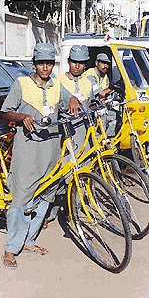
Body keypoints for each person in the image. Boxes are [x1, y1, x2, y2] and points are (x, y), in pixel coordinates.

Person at [0, 43, 81, 270]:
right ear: (34, 64)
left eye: (49, 63)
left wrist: (73, 99)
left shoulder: (56, 85)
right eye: (41, 63)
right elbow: (6, 111)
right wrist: (22, 116)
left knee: (46, 195)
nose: (45, 68)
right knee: (21, 197)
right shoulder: (22, 84)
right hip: (28, 150)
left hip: (51, 150)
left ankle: (28, 240)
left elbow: (68, 101)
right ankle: (10, 248)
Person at [44, 45, 94, 226]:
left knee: (83, 172)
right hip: (64, 134)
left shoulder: (88, 83)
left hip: (83, 134)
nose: (77, 66)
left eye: (81, 63)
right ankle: (49, 211)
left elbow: (91, 105)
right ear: (68, 62)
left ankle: (75, 212)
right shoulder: (57, 81)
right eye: (74, 62)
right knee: (60, 174)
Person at [82, 53, 117, 137]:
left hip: (98, 106)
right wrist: (113, 87)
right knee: (103, 120)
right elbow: (101, 93)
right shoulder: (90, 74)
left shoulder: (104, 76)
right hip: (87, 107)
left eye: (107, 64)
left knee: (116, 117)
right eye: (103, 63)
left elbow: (106, 94)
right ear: (96, 63)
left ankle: (107, 141)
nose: (105, 66)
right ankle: (100, 142)